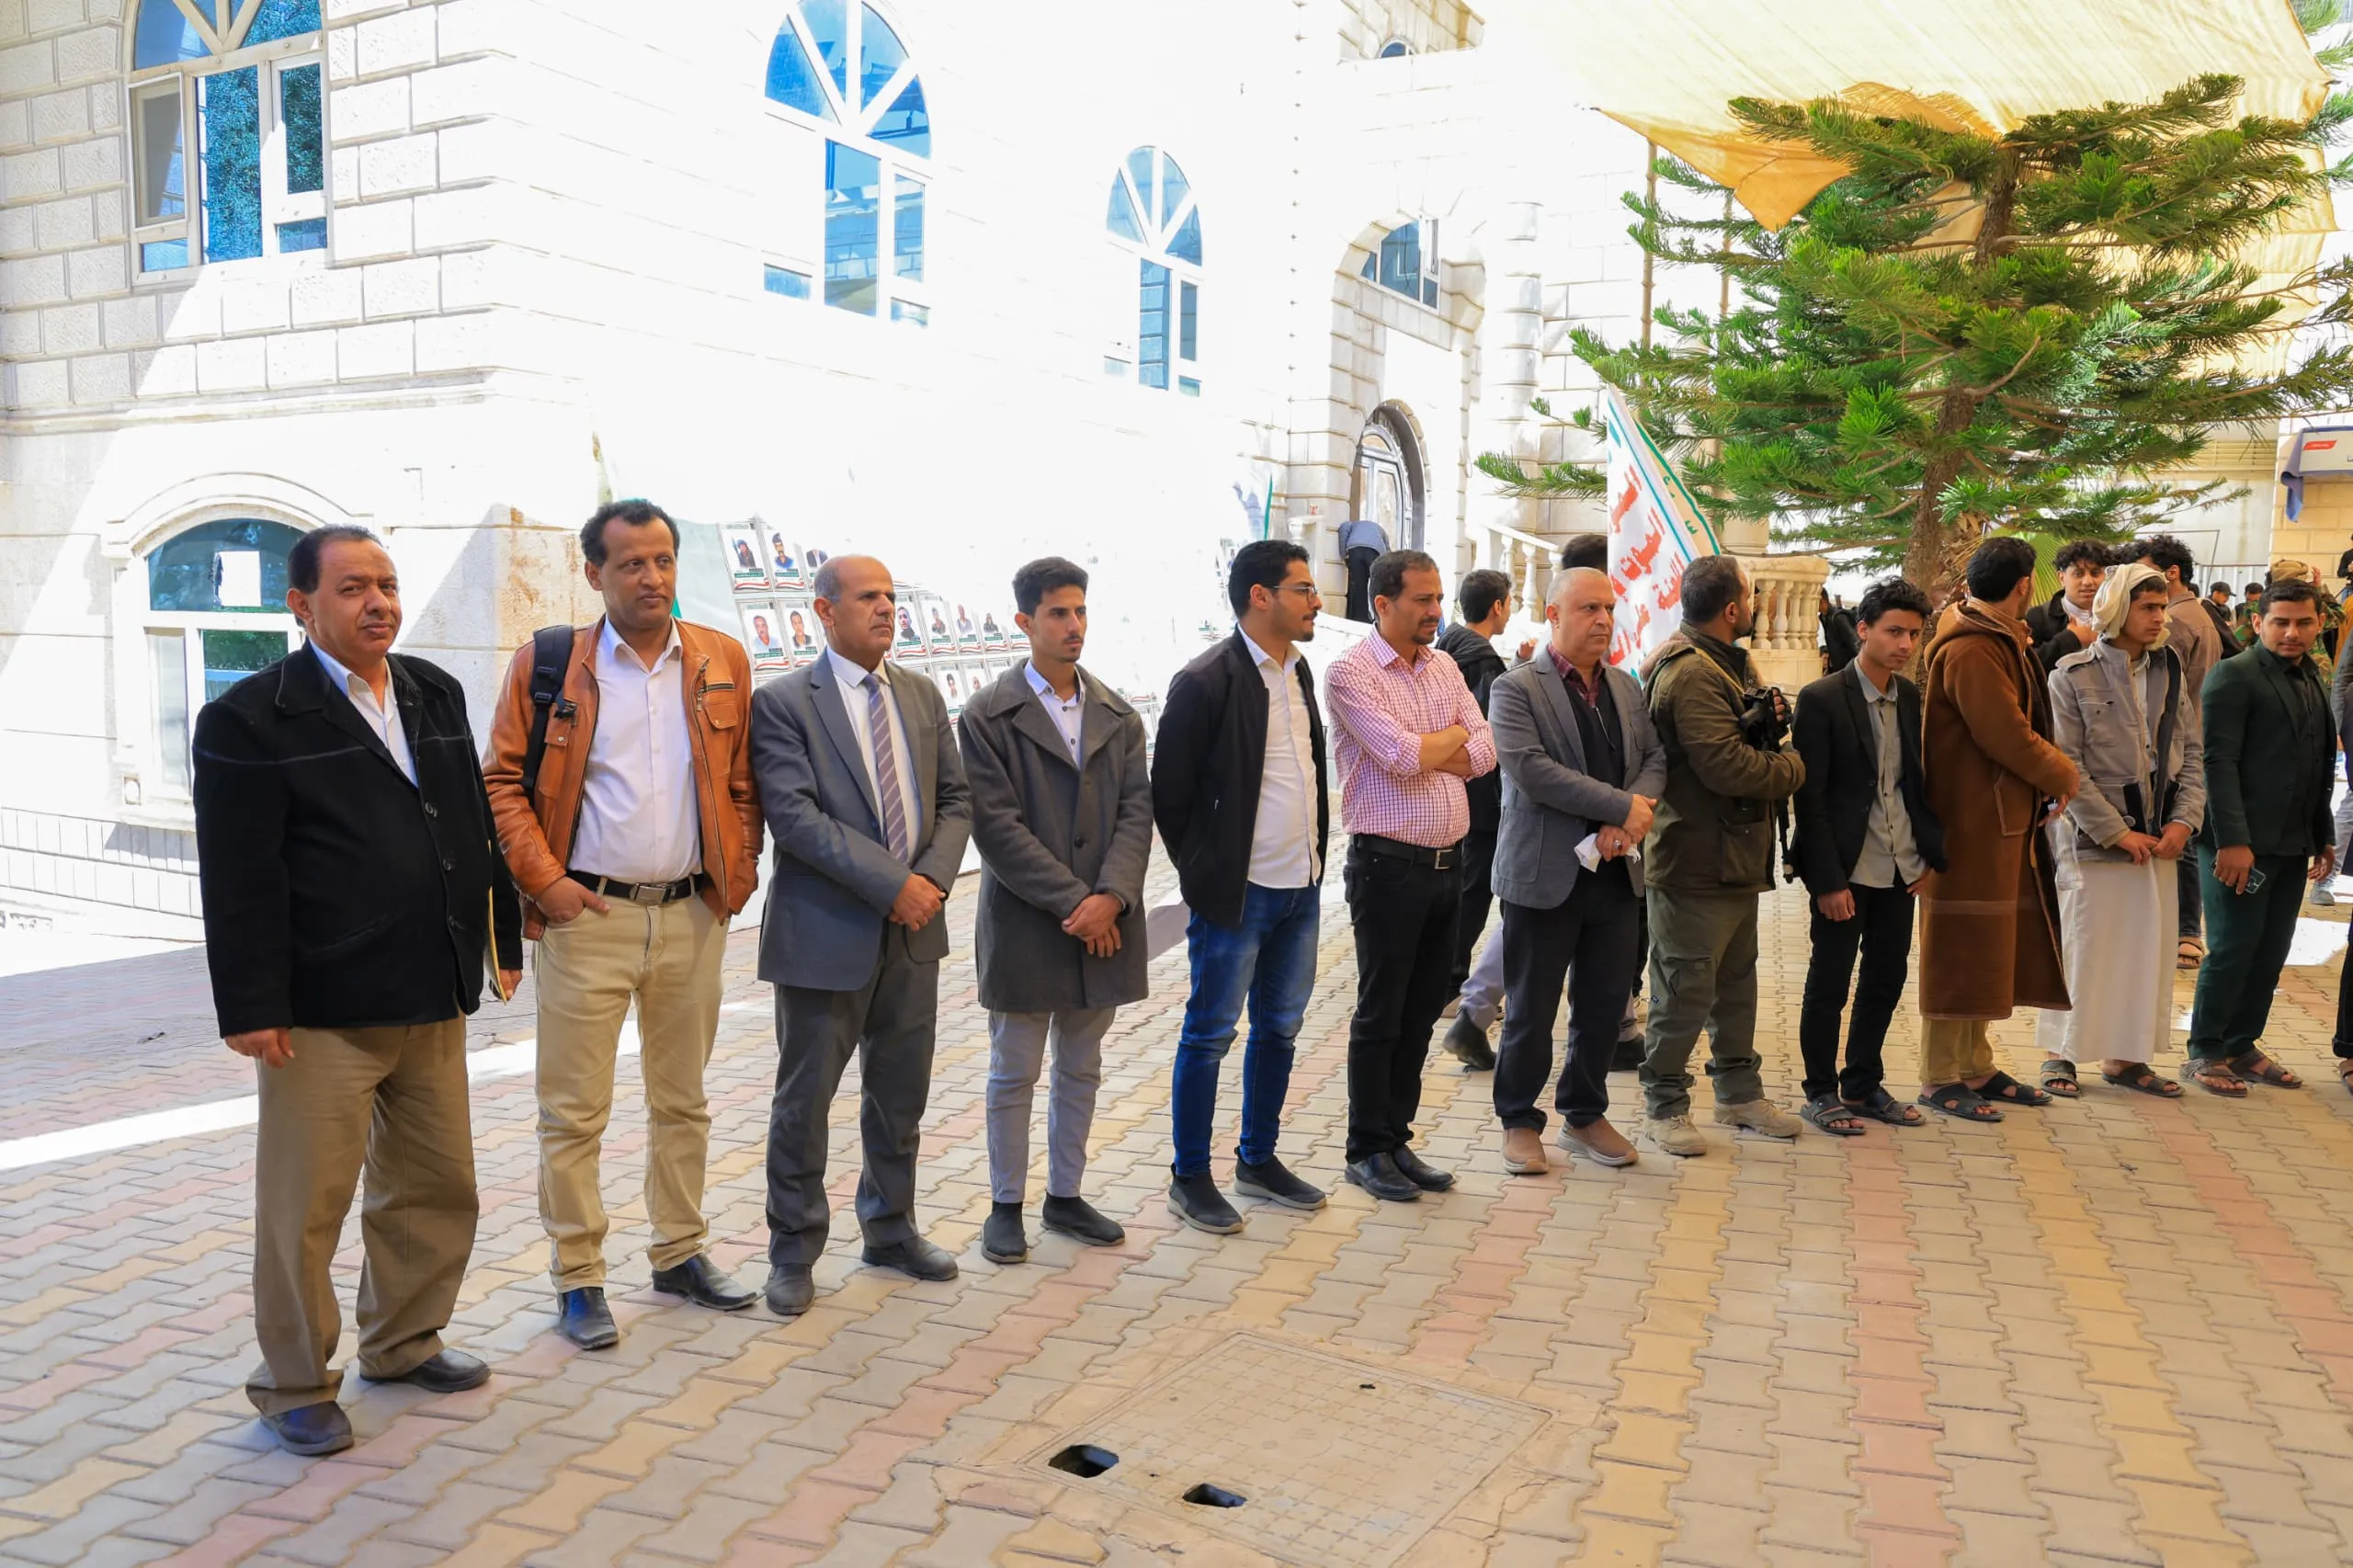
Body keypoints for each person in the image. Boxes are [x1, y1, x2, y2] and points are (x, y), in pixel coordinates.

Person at [192, 525, 519, 1455]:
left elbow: (469, 822)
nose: (378, 602)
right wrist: (252, 1004)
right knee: (305, 1210)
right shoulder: (251, 718)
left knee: (436, 1185)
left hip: (431, 986)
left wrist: (498, 931)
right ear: (301, 605)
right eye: (352, 588)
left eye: (387, 584)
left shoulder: (431, 690)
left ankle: (404, 1342)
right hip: (321, 1008)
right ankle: (295, 1382)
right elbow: (239, 874)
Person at [481, 500, 764, 1350]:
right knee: (574, 1114)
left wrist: (737, 874)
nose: (652, 578)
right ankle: (579, 1277)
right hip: (588, 920)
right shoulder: (550, 663)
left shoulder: (720, 659)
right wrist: (549, 885)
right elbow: (501, 782)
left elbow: (742, 783)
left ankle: (680, 1253)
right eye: (632, 563)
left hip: (691, 915)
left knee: (684, 1102)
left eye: (664, 560)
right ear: (594, 573)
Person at [748, 554, 972, 1315]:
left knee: (899, 1094)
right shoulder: (785, 702)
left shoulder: (920, 693)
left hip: (914, 932)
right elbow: (795, 818)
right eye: (868, 597)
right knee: (804, 1103)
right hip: (825, 936)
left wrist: (929, 883)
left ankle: (890, 1228)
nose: (885, 609)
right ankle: (793, 1251)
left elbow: (956, 799)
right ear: (824, 610)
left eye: (891, 596)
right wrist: (893, 886)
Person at [957, 557, 1152, 1263]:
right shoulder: (987, 715)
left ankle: (1065, 1195)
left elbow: (1136, 813)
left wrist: (1113, 897)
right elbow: (997, 827)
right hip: (1029, 922)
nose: (1074, 626)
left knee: (1081, 1065)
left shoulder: (1117, 713)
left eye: (1080, 611)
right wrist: (1079, 902)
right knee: (1014, 1070)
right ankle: (1005, 1204)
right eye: (1058, 613)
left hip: (1105, 922)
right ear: (1025, 621)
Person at [1152, 539, 1330, 1233]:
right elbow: (1171, 796)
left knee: (1279, 1029)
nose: (1317, 601)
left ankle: (1257, 1159)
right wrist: (1207, 875)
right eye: (1304, 589)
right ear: (1261, 596)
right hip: (1239, 895)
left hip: (1302, 886)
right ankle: (1190, 1176)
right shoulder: (1206, 680)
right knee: (1209, 1034)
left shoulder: (1299, 670)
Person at [1324, 550, 1497, 1200]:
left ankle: (1397, 1139)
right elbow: (1399, 755)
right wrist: (1442, 741)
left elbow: (1485, 751)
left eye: (1438, 598)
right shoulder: (1351, 672)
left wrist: (1434, 747)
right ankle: (1366, 1148)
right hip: (1387, 868)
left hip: (1449, 867)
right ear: (1383, 604)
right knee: (1382, 1012)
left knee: (1422, 1009)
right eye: (1422, 599)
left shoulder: (1444, 665)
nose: (1435, 611)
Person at [1486, 568, 1662, 1172]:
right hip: (1544, 876)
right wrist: (1621, 807)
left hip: (1615, 872)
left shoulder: (1626, 686)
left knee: (1604, 1005)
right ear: (1553, 614)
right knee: (1531, 1009)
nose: (1603, 619)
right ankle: (1518, 1120)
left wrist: (1628, 823)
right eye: (1589, 608)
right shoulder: (1515, 689)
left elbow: (1654, 759)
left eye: (1609, 608)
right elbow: (1533, 771)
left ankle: (1583, 1115)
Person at [1638, 553, 1809, 1154]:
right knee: (1683, 990)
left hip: (1731, 858)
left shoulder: (1723, 663)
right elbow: (1727, 766)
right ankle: (1664, 1104)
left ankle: (1738, 1094)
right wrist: (1793, 765)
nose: (1758, 607)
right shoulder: (1692, 673)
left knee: (1735, 986)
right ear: (1732, 608)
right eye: (1752, 598)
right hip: (1693, 863)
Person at [1915, 536, 2081, 1121]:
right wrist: (2063, 774)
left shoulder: (1997, 636)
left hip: (1997, 821)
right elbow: (2004, 733)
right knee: (1959, 947)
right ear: (2024, 586)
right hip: (1967, 823)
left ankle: (1975, 1065)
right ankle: (1939, 1075)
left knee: (1986, 945)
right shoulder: (1972, 647)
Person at [2035, 563, 2201, 1100]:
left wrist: (2184, 820)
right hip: (2091, 843)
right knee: (2084, 947)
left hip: (2159, 840)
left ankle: (2127, 1058)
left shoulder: (2170, 669)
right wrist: (2115, 832)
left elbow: (2191, 753)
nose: (2159, 617)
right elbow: (2066, 765)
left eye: (2162, 606)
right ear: (2118, 609)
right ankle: (2059, 1054)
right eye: (2148, 607)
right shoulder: (2070, 674)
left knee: (2145, 952)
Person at [1789, 576, 1946, 1135]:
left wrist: (1928, 855)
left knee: (1885, 979)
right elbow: (1810, 799)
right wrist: (1827, 882)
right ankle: (1819, 1090)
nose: (1905, 644)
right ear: (1863, 630)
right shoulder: (1821, 698)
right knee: (1829, 983)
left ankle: (1862, 1083)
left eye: (1914, 634)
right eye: (1894, 632)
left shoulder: (1909, 696)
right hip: (1847, 870)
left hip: (1901, 866)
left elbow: (1912, 784)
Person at [2182, 577, 2336, 1095]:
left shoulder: (2311, 676)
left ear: (2319, 624)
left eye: (2303, 623)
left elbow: (2315, 764)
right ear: (2257, 623)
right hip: (2238, 843)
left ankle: (2241, 1045)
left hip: (2292, 842)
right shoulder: (2234, 675)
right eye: (2280, 622)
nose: (2292, 633)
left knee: (2271, 951)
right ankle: (2205, 1050)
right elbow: (2217, 762)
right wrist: (2231, 841)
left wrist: (2323, 834)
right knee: (2232, 948)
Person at [2126, 535, 2225, 971]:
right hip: (2192, 741)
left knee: (2180, 837)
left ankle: (2186, 930)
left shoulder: (2178, 623)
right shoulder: (2200, 614)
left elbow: (2165, 694)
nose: (2154, 616)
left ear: (2171, 573)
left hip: (2180, 746)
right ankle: (2185, 929)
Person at [1435, 568, 1514, 1072]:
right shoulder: (1482, 662)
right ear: (1498, 606)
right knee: (1474, 893)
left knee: (1461, 889)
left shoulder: (1446, 649)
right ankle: (1451, 985)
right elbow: (1488, 734)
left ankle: (1448, 980)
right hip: (1480, 799)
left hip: (1452, 793)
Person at [2023, 540, 2107, 674]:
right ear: (2061, 578)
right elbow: (2025, 668)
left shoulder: (2119, 614)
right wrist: (2071, 638)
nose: (2088, 582)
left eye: (2095, 573)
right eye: (2078, 574)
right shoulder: (2038, 617)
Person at [1337, 517, 1390, 622]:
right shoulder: (1380, 530)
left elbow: (1343, 528)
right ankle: (1379, 617)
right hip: (1374, 551)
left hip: (1355, 549)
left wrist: (1344, 554)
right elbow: (1387, 550)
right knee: (1377, 585)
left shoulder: (1352, 525)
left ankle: (1360, 618)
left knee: (1359, 586)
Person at [1818, 587, 1861, 676]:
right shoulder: (1823, 617)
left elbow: (1854, 642)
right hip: (1836, 669)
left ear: (1821, 600)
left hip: (1847, 669)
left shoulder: (1838, 617)